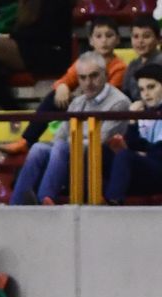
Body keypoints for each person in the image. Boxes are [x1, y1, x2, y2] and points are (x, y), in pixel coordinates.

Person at [9, 51, 130, 204]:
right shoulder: (78, 102)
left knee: (61, 147)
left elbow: (101, 139)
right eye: (83, 78)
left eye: (94, 76)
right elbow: (60, 135)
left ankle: (45, 199)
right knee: (38, 148)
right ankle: (15, 204)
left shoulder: (119, 102)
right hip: (74, 152)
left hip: (103, 157)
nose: (88, 83)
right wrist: (64, 146)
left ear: (105, 74)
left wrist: (66, 145)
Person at [0, 18, 128, 154]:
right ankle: (26, 141)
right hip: (83, 105)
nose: (104, 41)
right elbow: (66, 80)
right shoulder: (83, 61)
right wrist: (62, 87)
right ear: (91, 40)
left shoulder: (119, 66)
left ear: (118, 40)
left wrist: (77, 96)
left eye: (109, 36)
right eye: (98, 36)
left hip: (104, 110)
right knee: (53, 97)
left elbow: (105, 94)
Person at [107, 62, 162, 204]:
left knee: (125, 156)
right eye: (142, 89)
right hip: (147, 169)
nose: (146, 94)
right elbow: (134, 145)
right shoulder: (142, 112)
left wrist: (142, 152)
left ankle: (111, 203)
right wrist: (132, 121)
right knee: (103, 153)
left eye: (151, 87)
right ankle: (96, 199)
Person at [121, 18, 161, 102]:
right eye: (136, 36)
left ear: (158, 40)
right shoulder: (132, 65)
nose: (140, 41)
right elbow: (125, 93)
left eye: (146, 36)